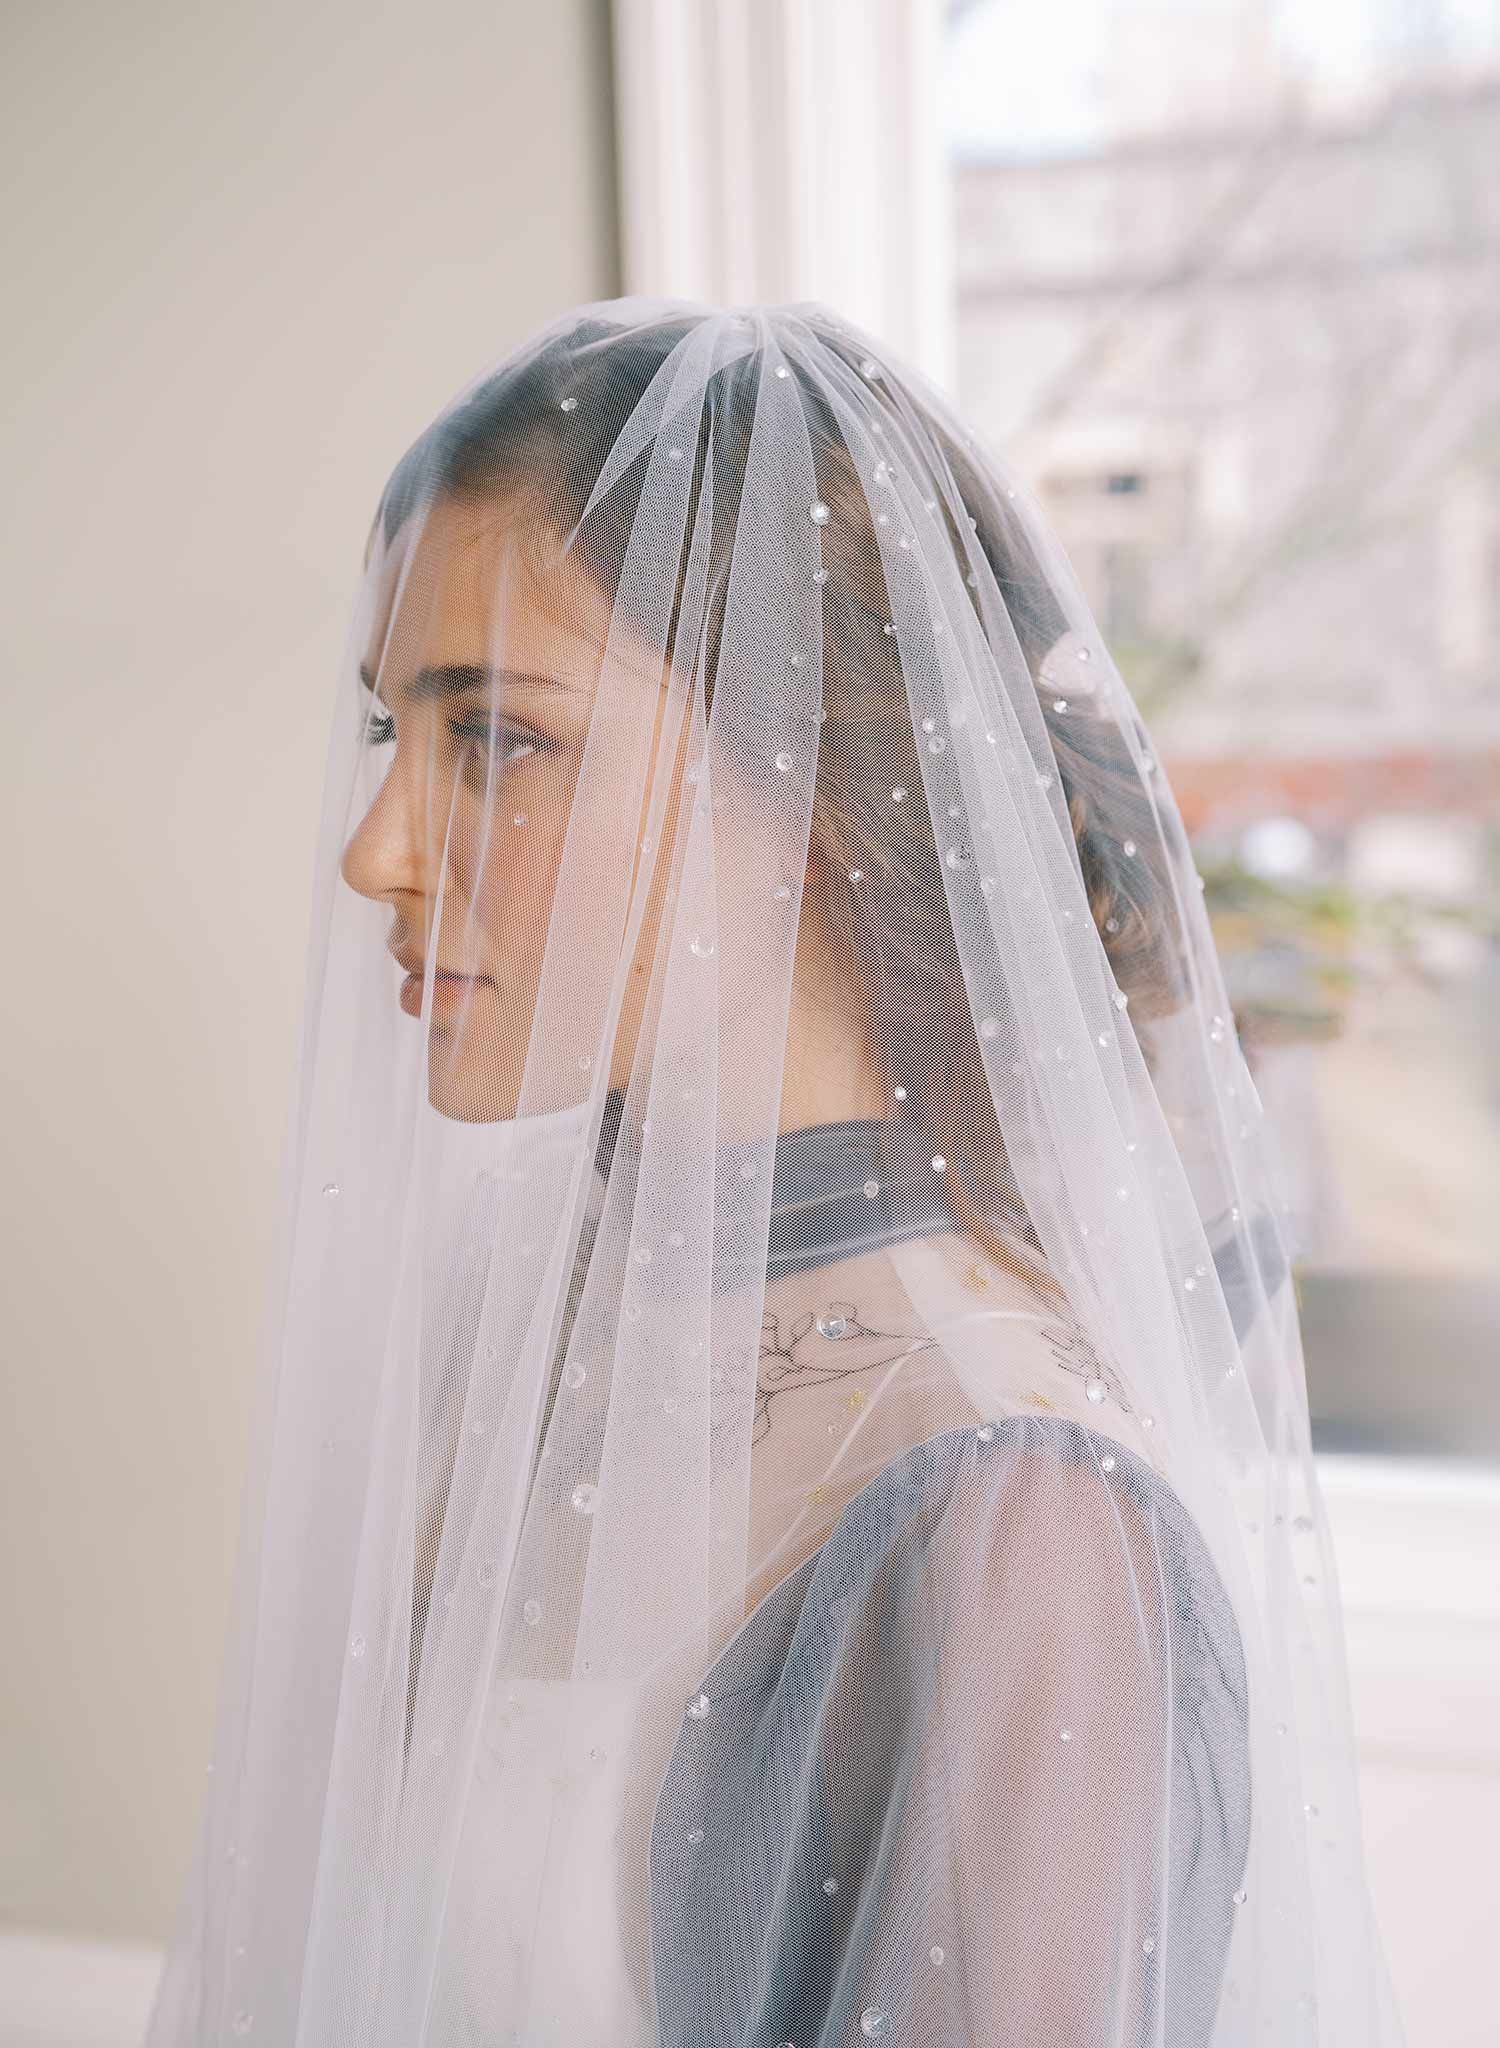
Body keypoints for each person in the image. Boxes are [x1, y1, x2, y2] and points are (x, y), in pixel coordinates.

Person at [143, 298, 1406, 2046]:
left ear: (808, 774)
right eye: (392, 735)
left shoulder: (1010, 1518)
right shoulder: (515, 1337)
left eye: (499, 738)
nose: (377, 853)